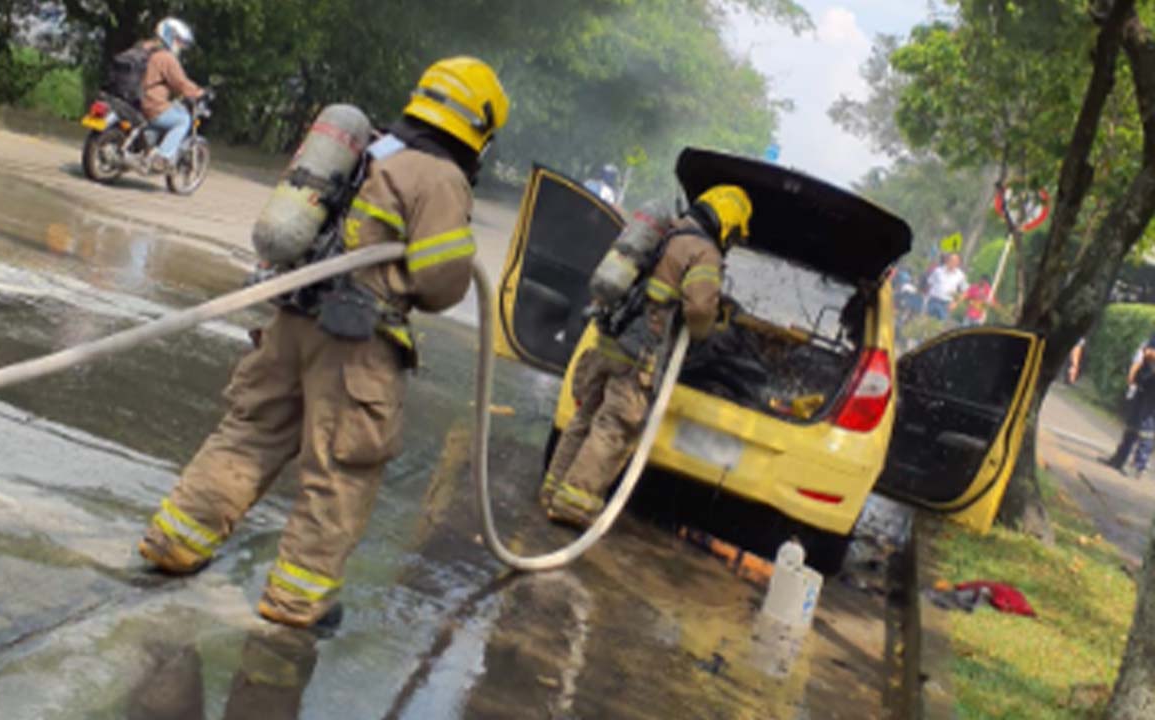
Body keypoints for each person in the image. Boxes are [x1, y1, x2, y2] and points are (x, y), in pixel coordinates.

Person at [136, 57, 510, 628]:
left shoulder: (375, 147)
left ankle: (175, 541)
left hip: (291, 320)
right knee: (341, 471)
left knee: (249, 433)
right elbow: (441, 285)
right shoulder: (439, 178)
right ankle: (297, 598)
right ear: (478, 128)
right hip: (356, 343)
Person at [539, 185, 753, 527]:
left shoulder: (667, 230)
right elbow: (698, 310)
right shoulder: (704, 252)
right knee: (613, 428)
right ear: (728, 222)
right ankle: (572, 506)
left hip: (609, 338)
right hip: (639, 354)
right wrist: (710, 328)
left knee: (586, 416)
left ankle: (552, 490)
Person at [140, 17, 204, 174]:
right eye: (179, 41)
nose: (180, 46)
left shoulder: (144, 47)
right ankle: (162, 157)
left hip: (133, 99)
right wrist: (197, 92)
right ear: (170, 36)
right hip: (151, 104)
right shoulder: (166, 57)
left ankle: (148, 146)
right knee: (183, 119)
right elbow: (180, 82)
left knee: (171, 109)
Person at [1103, 336, 1155, 477]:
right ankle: (1119, 459)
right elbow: (1146, 352)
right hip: (1145, 380)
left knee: (1147, 427)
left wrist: (1150, 354)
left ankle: (1139, 465)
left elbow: (1149, 352)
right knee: (1132, 423)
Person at [924, 252, 968, 321]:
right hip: (933, 301)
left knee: (938, 327)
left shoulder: (960, 276)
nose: (952, 262)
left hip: (945, 305)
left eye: (955, 261)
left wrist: (955, 303)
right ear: (947, 260)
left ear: (958, 263)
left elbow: (965, 292)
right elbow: (930, 284)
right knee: (925, 322)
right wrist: (926, 299)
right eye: (951, 259)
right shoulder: (938, 271)